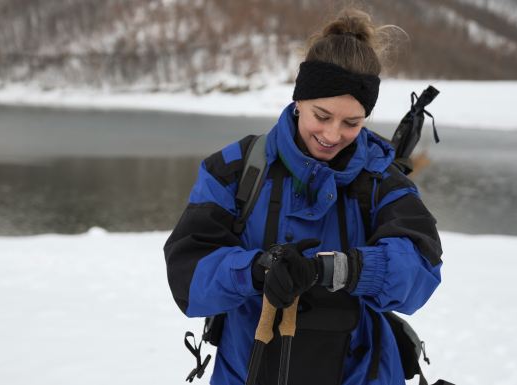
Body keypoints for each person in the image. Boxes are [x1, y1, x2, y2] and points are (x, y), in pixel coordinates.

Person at [164, 8, 443, 385]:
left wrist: (346, 269)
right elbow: (188, 275)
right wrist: (255, 271)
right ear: (299, 100)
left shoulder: (383, 181)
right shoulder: (235, 169)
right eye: (321, 115)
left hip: (362, 374)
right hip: (246, 371)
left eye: (351, 123)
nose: (332, 134)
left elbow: (421, 271)